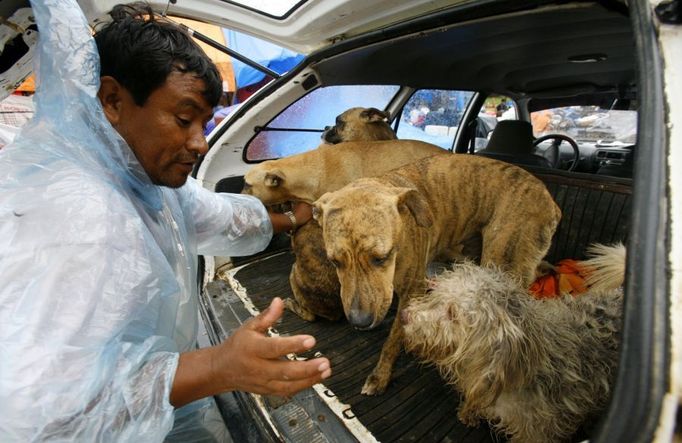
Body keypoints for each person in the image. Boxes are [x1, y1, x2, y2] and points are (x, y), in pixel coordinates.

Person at [0, 1, 330, 441]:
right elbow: (40, 414)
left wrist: (298, 214)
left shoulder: (132, 171)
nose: (198, 143)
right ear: (113, 100)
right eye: (183, 118)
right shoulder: (84, 222)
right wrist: (218, 367)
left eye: (205, 123)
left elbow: (218, 217)